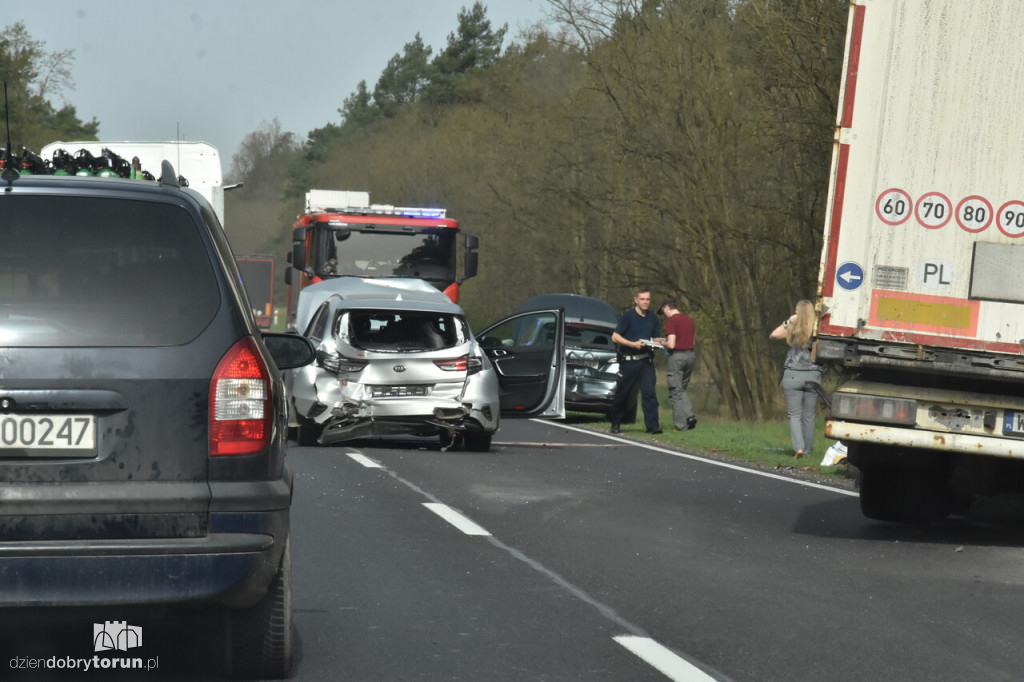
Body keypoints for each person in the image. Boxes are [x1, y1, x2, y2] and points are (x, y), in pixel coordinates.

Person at [770, 299, 822, 458]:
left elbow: (774, 335)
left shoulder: (794, 328)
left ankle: (798, 448)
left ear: (797, 312)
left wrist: (788, 321)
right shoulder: (818, 328)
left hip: (793, 374)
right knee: (809, 415)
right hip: (813, 375)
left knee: (794, 415)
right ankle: (807, 450)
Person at [610, 288, 664, 435]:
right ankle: (616, 423)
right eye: (642, 299)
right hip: (629, 362)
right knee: (623, 393)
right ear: (636, 300)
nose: (645, 302)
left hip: (646, 361)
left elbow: (657, 338)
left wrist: (662, 342)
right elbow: (615, 337)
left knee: (649, 394)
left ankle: (653, 426)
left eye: (648, 299)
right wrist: (632, 344)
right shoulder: (628, 317)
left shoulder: (653, 318)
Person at [659, 297, 697, 431]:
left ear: (666, 308)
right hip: (691, 355)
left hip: (678, 357)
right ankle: (690, 416)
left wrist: (661, 343)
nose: (664, 314)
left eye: (663, 310)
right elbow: (692, 341)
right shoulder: (689, 320)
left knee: (675, 391)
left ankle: (681, 425)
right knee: (681, 389)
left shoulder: (672, 320)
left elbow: (671, 344)